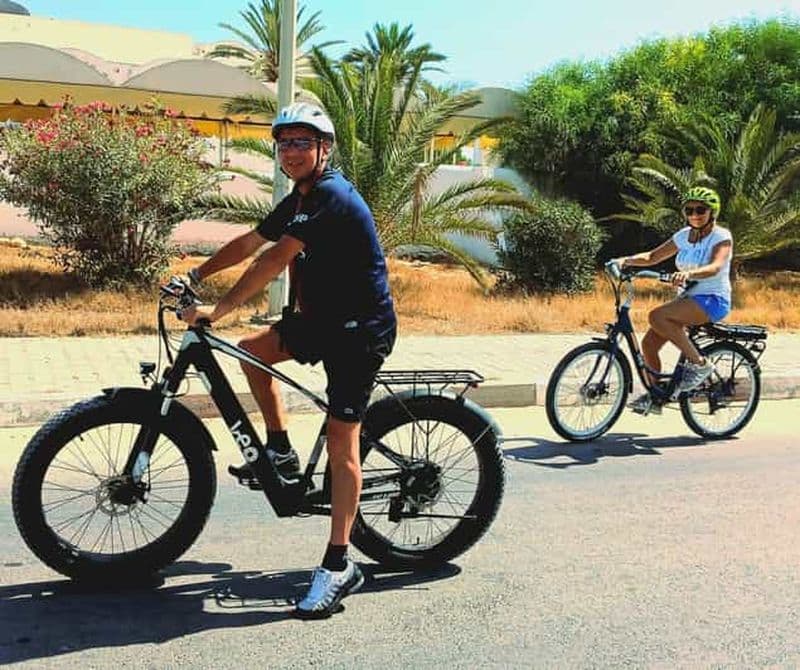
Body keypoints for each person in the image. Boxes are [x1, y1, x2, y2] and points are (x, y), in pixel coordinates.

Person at [182, 102, 397, 618]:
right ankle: (280, 450)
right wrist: (195, 276)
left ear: (324, 149)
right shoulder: (299, 197)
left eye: (303, 142)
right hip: (321, 320)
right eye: (285, 143)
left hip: (359, 330)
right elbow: (251, 241)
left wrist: (220, 309)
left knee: (343, 439)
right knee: (252, 355)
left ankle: (339, 564)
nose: (292, 151)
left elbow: (274, 259)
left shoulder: (332, 196)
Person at [614, 186, 733, 414]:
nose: (694, 215)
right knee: (648, 344)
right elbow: (652, 257)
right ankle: (657, 396)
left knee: (657, 316)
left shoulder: (721, 237)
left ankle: (700, 365)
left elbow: (716, 266)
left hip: (713, 299)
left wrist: (689, 274)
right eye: (689, 210)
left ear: (712, 213)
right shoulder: (683, 236)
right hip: (688, 299)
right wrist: (624, 261)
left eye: (700, 210)